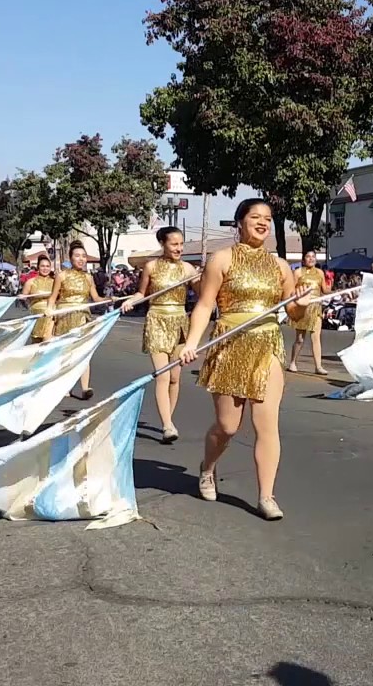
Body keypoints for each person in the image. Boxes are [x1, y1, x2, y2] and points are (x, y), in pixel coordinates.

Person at [180, 198, 314, 520]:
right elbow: (204, 305)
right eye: (255, 216)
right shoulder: (221, 259)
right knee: (228, 426)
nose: (263, 222)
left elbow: (292, 311)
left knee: (266, 425)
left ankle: (266, 496)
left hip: (267, 344)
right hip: (229, 343)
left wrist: (302, 303)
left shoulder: (281, 266)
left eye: (267, 218)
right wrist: (191, 343)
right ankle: (207, 467)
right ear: (240, 222)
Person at [122, 226, 196, 443]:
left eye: (181, 244)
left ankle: (168, 419)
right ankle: (167, 425)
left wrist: (205, 276)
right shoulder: (151, 267)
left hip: (180, 323)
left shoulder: (188, 269)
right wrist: (130, 301)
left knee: (175, 378)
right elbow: (141, 293)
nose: (179, 248)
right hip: (157, 320)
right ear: (162, 244)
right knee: (163, 375)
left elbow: (205, 293)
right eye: (174, 244)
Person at [46, 241, 102, 400]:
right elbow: (52, 298)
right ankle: (65, 386)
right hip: (65, 316)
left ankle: (85, 388)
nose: (81, 259)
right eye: (77, 256)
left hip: (83, 316)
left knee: (84, 352)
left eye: (84, 256)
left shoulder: (89, 278)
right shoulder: (61, 275)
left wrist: (110, 299)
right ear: (70, 258)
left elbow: (96, 298)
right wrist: (50, 311)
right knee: (65, 354)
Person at [287, 250, 328, 375]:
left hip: (316, 307)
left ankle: (318, 366)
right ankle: (293, 362)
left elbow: (325, 290)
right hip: (303, 307)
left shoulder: (320, 273)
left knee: (316, 337)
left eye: (313, 257)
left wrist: (339, 291)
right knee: (300, 338)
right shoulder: (298, 272)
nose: (311, 259)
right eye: (308, 257)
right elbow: (292, 291)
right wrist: (298, 299)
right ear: (304, 259)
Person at [22, 256, 55, 343]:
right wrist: (22, 298)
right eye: (43, 266)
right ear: (38, 267)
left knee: (47, 342)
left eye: (48, 266)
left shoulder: (55, 282)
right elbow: (24, 298)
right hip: (36, 315)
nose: (45, 268)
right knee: (36, 344)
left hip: (51, 314)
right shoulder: (30, 282)